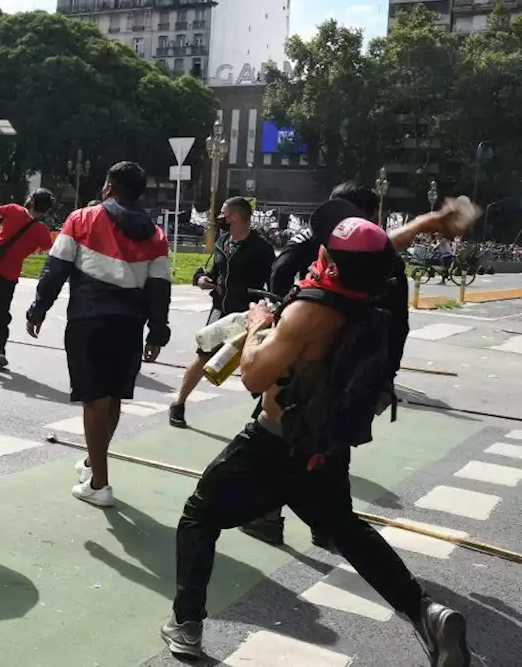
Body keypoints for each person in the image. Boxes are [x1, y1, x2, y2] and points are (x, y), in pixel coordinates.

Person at [162, 201, 471, 666]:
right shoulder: (370, 291)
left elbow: (252, 378)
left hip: (273, 440)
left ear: (331, 260)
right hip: (326, 441)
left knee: (199, 516)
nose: (319, 249)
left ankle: (186, 625)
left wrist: (257, 327)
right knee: (345, 528)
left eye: (326, 246)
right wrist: (429, 222)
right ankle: (427, 613)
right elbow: (386, 249)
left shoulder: (309, 312)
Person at [245, 181, 412, 548]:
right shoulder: (387, 261)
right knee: (331, 442)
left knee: (283, 437)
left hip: (309, 364)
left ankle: (278, 517)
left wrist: (278, 319)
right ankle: (324, 524)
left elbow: (281, 271)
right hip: (354, 372)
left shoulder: (326, 248)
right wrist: (386, 377)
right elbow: (398, 326)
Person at [25, 161, 171, 508]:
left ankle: (99, 484)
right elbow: (160, 288)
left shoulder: (82, 219)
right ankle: (93, 461)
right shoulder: (155, 234)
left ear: (108, 187)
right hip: (130, 325)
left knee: (94, 399)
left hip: (89, 319)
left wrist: (39, 308)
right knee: (114, 397)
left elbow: (55, 268)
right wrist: (158, 331)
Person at [169, 196, 275, 429]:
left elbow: (274, 282)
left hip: (249, 315)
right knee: (203, 356)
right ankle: (178, 403)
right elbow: (211, 271)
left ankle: (268, 416)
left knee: (262, 363)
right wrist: (201, 279)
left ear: (236, 216)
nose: (219, 219)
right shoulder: (222, 242)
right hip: (220, 311)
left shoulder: (262, 248)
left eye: (223, 214)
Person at [0, 189, 55, 371]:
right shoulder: (42, 231)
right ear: (46, 210)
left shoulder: (13, 210)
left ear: (30, 200)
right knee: (2, 313)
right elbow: (48, 252)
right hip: (9, 275)